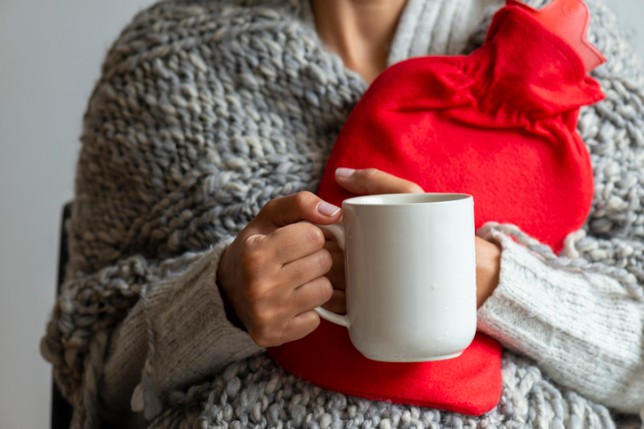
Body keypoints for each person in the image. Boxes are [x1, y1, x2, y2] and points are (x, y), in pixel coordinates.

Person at [41, 0, 644, 427]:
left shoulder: (574, 54)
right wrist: (217, 303)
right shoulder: (163, 68)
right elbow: (101, 386)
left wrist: (495, 279)